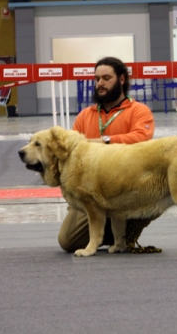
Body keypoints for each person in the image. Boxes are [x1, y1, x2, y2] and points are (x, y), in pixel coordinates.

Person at [59, 56, 157, 253]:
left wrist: (105, 141)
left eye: (106, 78)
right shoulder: (85, 115)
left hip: (127, 187)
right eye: (97, 79)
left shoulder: (139, 111)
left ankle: (125, 232)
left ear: (121, 80)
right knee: (67, 242)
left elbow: (140, 138)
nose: (100, 84)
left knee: (156, 190)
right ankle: (107, 230)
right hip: (91, 193)